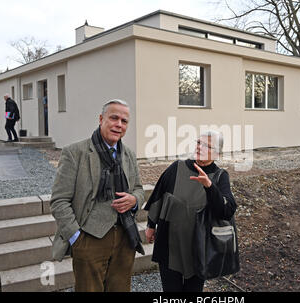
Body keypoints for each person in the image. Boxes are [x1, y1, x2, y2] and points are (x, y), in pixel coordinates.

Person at [50, 99, 145, 292]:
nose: (119, 124)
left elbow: (139, 189)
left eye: (124, 121)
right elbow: (59, 201)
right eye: (114, 118)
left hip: (126, 238)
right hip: (89, 239)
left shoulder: (128, 155)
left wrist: (134, 200)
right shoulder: (75, 152)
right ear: (101, 119)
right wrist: (76, 237)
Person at [144, 130, 237, 292]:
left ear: (217, 154)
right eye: (198, 143)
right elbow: (158, 195)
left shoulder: (220, 177)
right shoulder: (177, 167)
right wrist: (151, 225)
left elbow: (226, 210)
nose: (199, 147)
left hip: (199, 249)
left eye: (207, 145)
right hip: (169, 245)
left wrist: (209, 186)